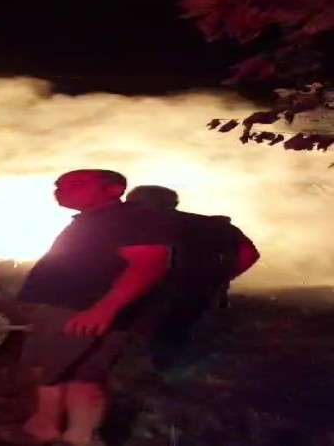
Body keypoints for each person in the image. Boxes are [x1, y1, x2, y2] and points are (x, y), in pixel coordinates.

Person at [16, 170, 176, 446]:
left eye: (77, 184)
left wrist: (104, 309)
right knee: (80, 376)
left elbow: (150, 263)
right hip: (77, 308)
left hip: (82, 310)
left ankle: (51, 428)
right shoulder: (99, 219)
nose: (62, 190)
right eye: (59, 186)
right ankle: (75, 434)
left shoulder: (127, 218)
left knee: (52, 370)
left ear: (114, 190)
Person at [125, 185, 260, 370]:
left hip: (147, 291)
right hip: (199, 292)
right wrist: (220, 277)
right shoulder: (217, 226)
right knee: (182, 333)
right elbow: (249, 255)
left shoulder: (132, 227)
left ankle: (158, 373)